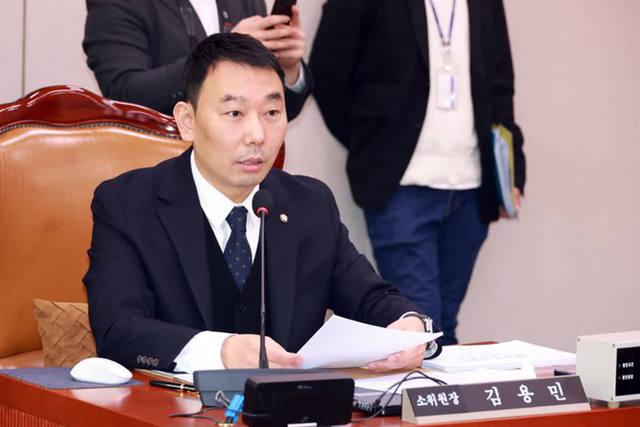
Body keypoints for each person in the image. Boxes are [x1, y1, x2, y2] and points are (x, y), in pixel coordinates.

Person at [83, 33, 435, 373]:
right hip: (172, 405)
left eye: (272, 112)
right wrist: (221, 350)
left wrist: (410, 325)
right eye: (235, 113)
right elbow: (118, 329)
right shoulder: (128, 204)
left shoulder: (310, 204)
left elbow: (371, 298)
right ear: (187, 121)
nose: (257, 135)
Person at [310, 0, 526, 345]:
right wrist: (372, 143)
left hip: (472, 186)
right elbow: (328, 72)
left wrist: (512, 173)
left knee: (444, 325)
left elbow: (501, 84)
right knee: (421, 331)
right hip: (402, 188)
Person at [83, 0, 310, 118]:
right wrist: (222, 55)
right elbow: (124, 94)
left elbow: (277, 112)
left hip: (245, 173)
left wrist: (287, 68)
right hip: (164, 170)